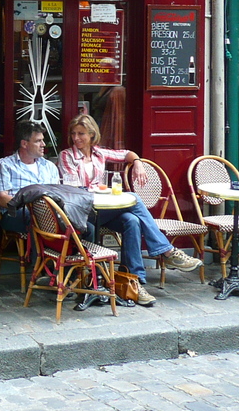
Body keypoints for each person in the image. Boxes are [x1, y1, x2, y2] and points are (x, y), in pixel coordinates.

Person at [58, 114, 203, 306]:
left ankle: (134, 281)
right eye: (74, 134)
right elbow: (75, 191)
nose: (76, 138)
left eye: (81, 134)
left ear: (92, 135)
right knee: (133, 198)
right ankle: (165, 250)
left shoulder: (99, 154)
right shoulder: (67, 156)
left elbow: (128, 154)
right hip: (83, 212)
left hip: (103, 209)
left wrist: (138, 163)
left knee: (132, 221)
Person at [0, 121, 60, 235]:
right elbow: (2, 199)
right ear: (24, 144)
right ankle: (39, 252)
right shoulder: (4, 165)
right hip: (16, 214)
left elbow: (58, 195)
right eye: (38, 141)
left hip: (50, 213)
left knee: (87, 225)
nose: (43, 144)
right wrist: (35, 207)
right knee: (37, 219)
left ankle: (80, 251)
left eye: (42, 140)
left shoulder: (49, 167)